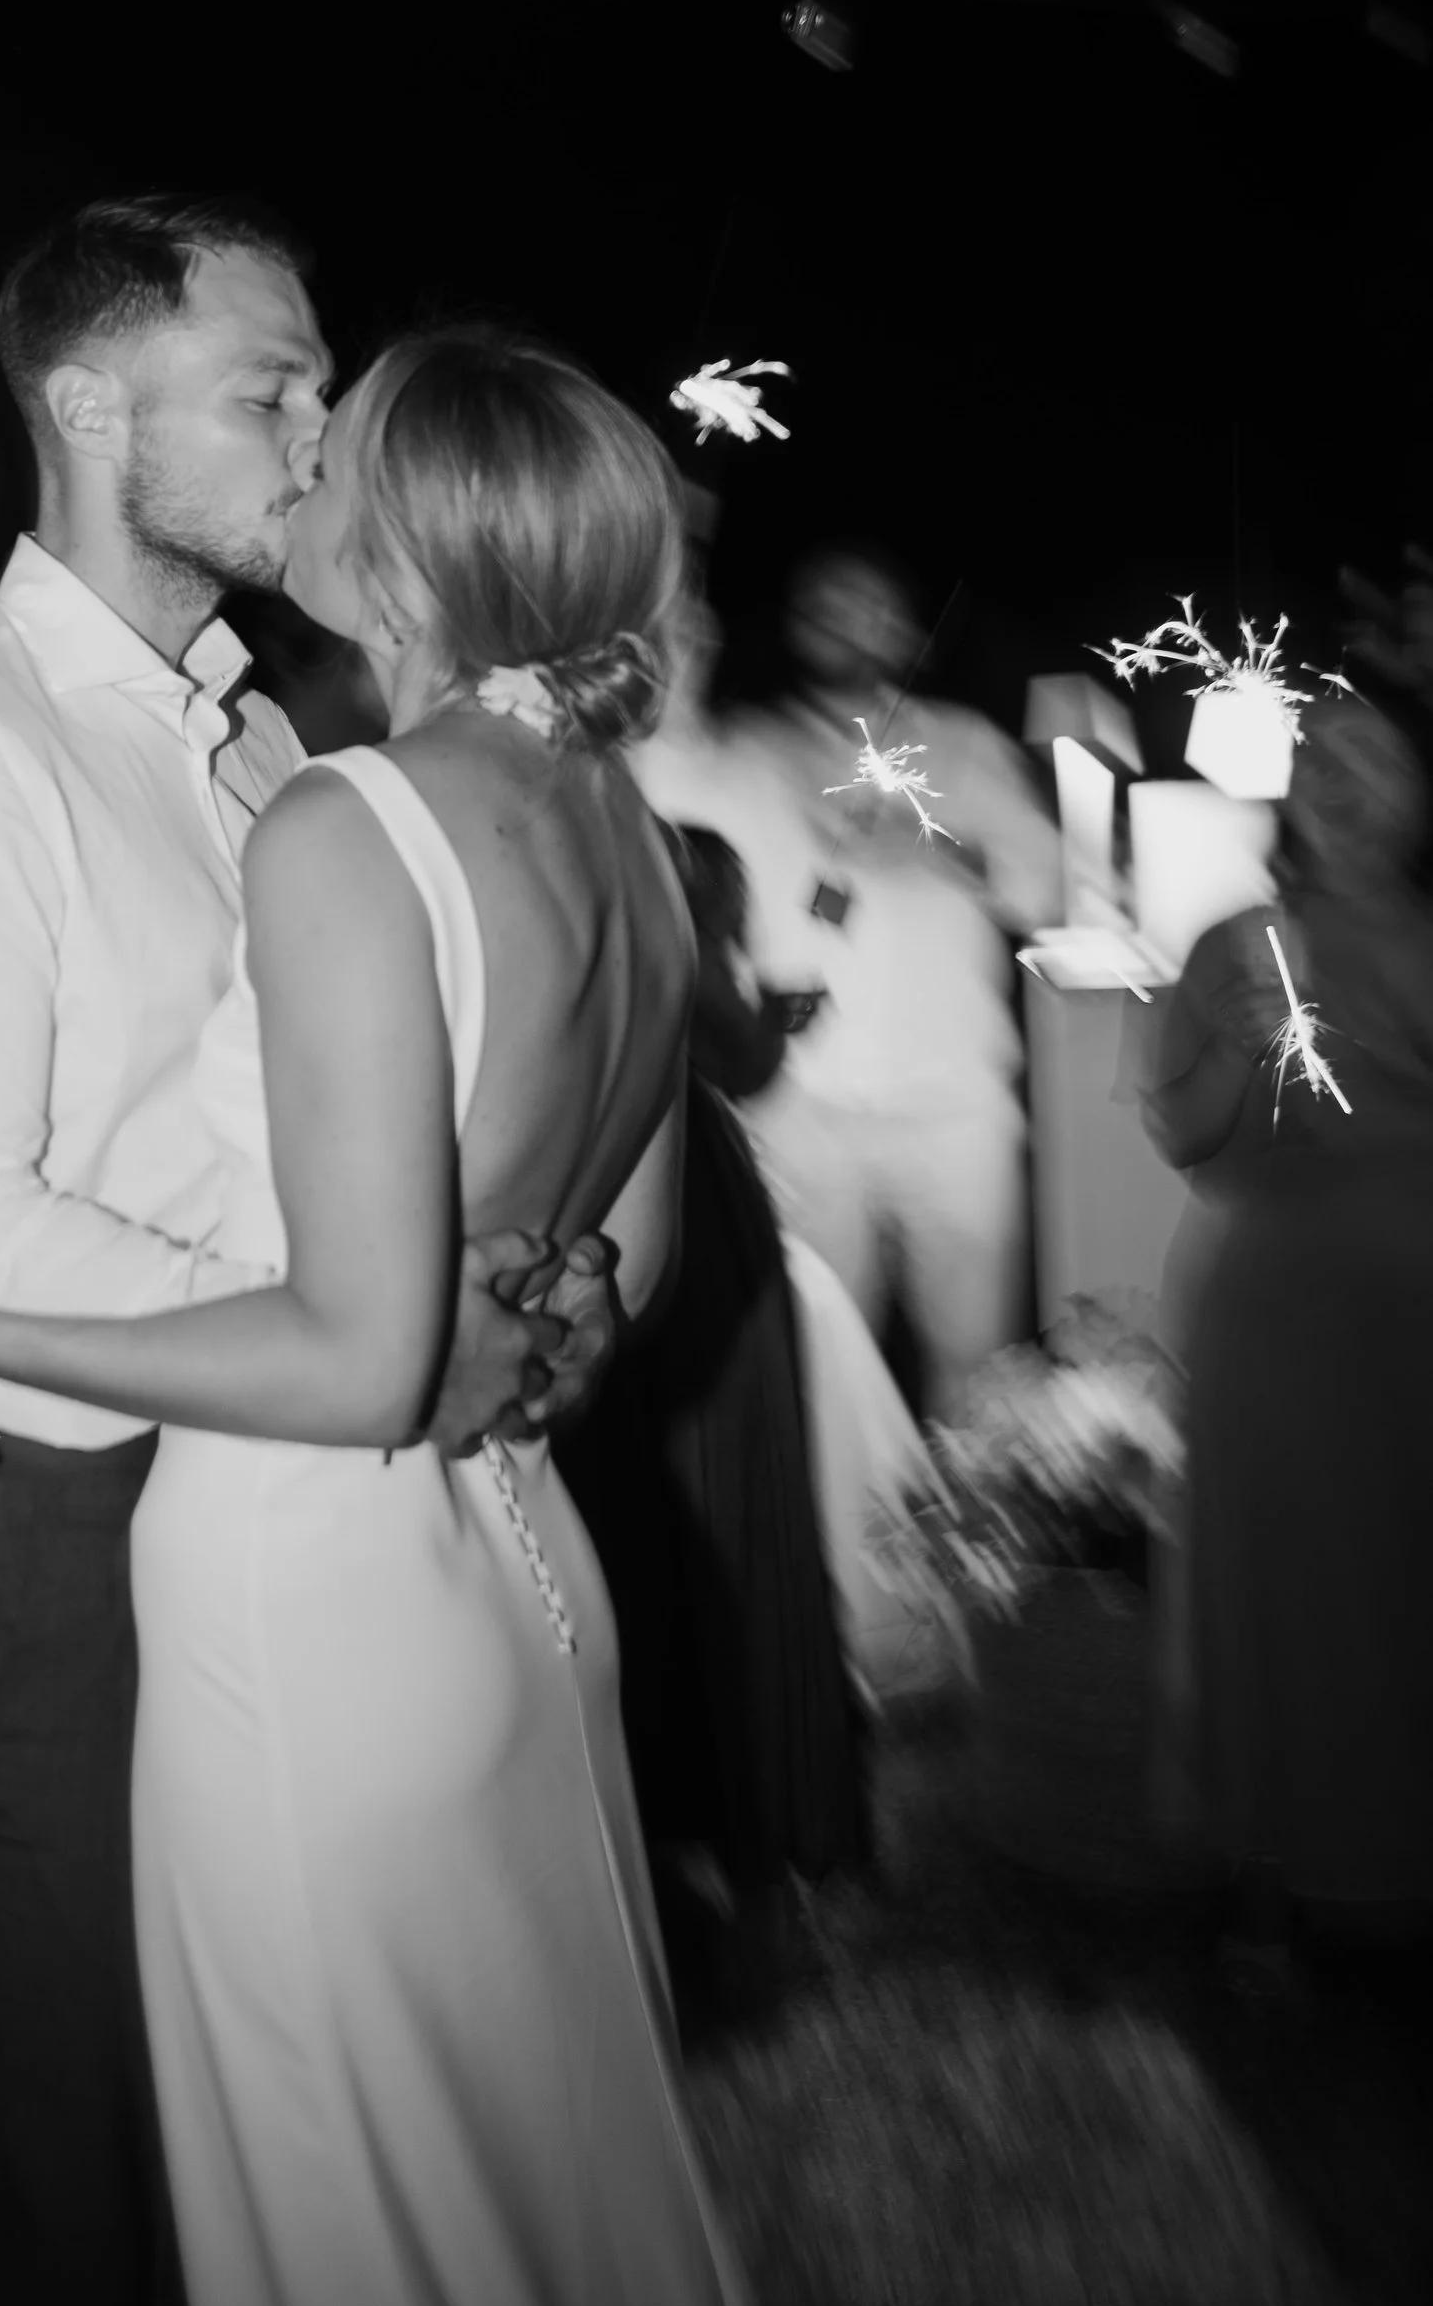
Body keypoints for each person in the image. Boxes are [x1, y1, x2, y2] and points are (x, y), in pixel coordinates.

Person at [0, 323, 945, 2306]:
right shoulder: (622, 837)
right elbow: (613, 1283)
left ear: (409, 544)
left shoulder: (350, 820)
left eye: (336, 439)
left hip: (303, 1606)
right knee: (539, 2185)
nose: (302, 458)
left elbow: (356, 1353)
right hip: (519, 1584)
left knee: (356, 2261)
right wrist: (492, 1324)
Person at [0, 203, 581, 2306]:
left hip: (256, 1513)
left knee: (262, 2151)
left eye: (322, 385)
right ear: (89, 407)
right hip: (23, 1531)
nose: (322, 435)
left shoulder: (251, 738)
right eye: (274, 386)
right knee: (63, 2208)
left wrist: (489, 1282)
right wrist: (362, 1336)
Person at [557, 814, 871, 2025]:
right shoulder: (642, 876)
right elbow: (737, 1052)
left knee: (670, 1547)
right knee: (700, 1542)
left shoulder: (610, 877)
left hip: (648, 1232)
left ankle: (716, 1881)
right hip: (662, 1230)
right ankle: (732, 1878)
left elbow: (728, 1047)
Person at [1141, 696, 1433, 1976]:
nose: (1344, 784)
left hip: (1413, 1314)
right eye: (1321, 762)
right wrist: (1241, 1047)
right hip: (1274, 1318)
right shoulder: (1236, 940)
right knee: (1272, 1591)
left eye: (1375, 760)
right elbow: (1185, 1136)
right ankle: (1267, 1878)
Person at [641, 541, 1060, 1415]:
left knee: (980, 1366)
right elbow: (664, 778)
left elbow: (1048, 886)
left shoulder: (967, 747)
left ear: (908, 633)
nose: (847, 622)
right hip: (808, 1104)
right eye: (827, 604)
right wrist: (678, 658)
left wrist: (937, 844)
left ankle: (985, 1506)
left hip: (957, 1104)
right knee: (825, 1367)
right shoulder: (752, 749)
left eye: (869, 605)